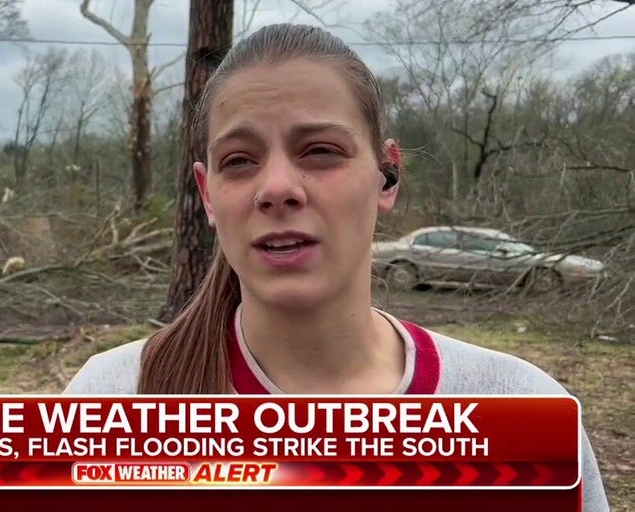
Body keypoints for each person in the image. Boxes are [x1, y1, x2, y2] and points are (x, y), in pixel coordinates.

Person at [63, 24, 610, 511]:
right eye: (240, 161)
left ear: (386, 175)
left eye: (320, 151)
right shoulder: (111, 401)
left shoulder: (520, 413)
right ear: (209, 195)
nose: (277, 188)